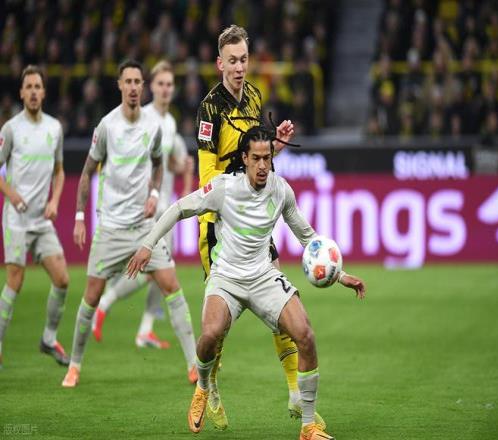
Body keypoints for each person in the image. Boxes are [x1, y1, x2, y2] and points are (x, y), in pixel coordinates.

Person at [127, 126, 366, 440]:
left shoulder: (281, 190)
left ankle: (308, 426)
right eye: (256, 158)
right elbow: (179, 208)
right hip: (226, 278)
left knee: (305, 335)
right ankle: (203, 387)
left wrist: (340, 275)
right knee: (210, 335)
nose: (263, 165)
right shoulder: (224, 188)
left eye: (267, 157)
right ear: (245, 158)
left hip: (264, 276)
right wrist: (147, 244)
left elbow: (308, 238)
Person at [195, 24, 305, 429]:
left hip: (253, 222)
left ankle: (295, 392)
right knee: (218, 328)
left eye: (244, 59)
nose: (239, 67)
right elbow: (207, 175)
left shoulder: (255, 96)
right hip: (219, 226)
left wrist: (274, 146)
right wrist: (234, 192)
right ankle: (209, 387)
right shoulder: (210, 109)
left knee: (279, 298)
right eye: (233, 61)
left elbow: (256, 158)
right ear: (219, 63)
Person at [61, 60, 197, 388]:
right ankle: (74, 365)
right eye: (129, 81)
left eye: (138, 81)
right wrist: (79, 217)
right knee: (91, 296)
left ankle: (194, 366)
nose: (134, 87)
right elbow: (87, 172)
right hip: (110, 228)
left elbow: (159, 164)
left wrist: (154, 193)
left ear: (141, 86)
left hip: (145, 226)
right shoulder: (107, 126)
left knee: (171, 285)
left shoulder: (155, 127)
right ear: (120, 85)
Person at [0, 65, 70, 368]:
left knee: (62, 279)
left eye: (37, 86)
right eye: (28, 86)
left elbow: (59, 171)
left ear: (43, 92)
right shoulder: (11, 129)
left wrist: (55, 200)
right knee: (15, 281)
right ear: (21, 93)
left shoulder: (54, 128)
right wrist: (12, 194)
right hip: (16, 220)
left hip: (42, 220)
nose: (32, 92)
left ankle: (48, 339)